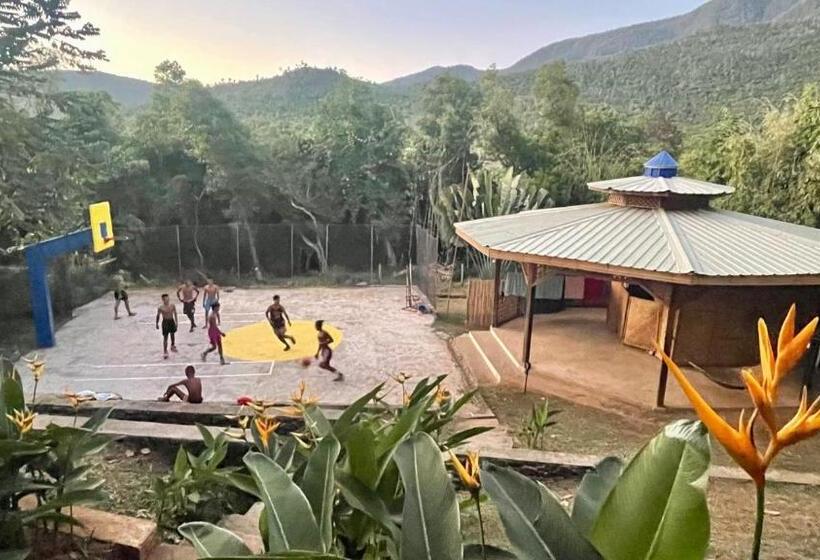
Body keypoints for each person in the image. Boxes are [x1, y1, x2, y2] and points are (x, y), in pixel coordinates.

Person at [155, 294, 178, 359]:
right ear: (163, 300)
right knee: (165, 337)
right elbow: (158, 316)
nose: (167, 300)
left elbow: (175, 313)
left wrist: (176, 322)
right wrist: (156, 323)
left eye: (168, 298)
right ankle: (165, 351)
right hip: (165, 322)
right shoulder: (161, 307)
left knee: (172, 334)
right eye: (165, 299)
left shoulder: (172, 305)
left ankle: (173, 345)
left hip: (171, 321)